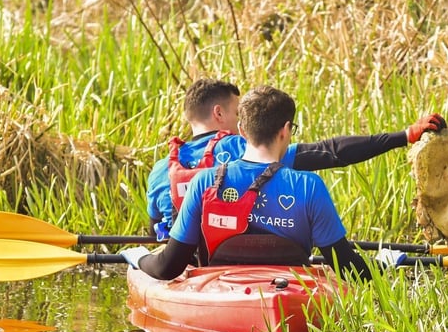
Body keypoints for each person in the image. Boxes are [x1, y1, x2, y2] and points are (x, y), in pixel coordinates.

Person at [123, 85, 375, 281]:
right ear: (286, 130)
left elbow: (168, 268)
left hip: (218, 291)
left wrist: (139, 258)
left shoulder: (204, 182)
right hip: (290, 289)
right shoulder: (311, 186)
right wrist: (383, 263)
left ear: (241, 130)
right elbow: (350, 269)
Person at [146, 78, 446, 239]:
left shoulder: (161, 170)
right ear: (219, 113)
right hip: (238, 264)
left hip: (186, 266)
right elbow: (331, 152)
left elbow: (154, 230)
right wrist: (404, 135)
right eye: (238, 113)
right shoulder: (245, 148)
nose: (242, 122)